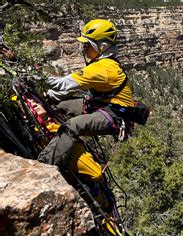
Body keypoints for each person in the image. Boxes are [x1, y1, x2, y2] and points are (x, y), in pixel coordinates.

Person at [38, 19, 138, 169]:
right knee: (59, 104)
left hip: (114, 116)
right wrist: (52, 95)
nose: (83, 48)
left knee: (73, 126)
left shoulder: (103, 69)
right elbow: (75, 87)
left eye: (87, 45)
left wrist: (33, 75)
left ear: (102, 47)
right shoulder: (103, 63)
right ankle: (54, 140)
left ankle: (46, 166)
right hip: (102, 105)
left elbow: (61, 84)